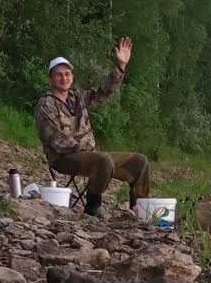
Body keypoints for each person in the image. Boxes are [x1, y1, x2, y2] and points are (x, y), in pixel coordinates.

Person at [34, 37, 151, 217]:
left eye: (67, 74)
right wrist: (85, 145)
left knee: (140, 162)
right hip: (63, 158)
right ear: (51, 78)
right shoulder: (46, 104)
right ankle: (92, 207)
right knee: (103, 159)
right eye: (59, 74)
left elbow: (104, 91)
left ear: (72, 77)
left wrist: (120, 66)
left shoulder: (77, 97)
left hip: (91, 156)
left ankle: (141, 211)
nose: (64, 78)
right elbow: (56, 141)